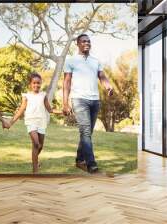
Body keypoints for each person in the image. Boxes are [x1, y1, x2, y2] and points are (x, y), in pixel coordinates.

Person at [63, 34, 114, 174]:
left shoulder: (95, 61)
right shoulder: (71, 60)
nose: (87, 43)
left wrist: (108, 86)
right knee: (85, 131)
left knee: (87, 133)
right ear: (78, 44)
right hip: (79, 99)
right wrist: (65, 103)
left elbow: (102, 76)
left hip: (95, 100)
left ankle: (79, 160)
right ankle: (91, 163)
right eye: (84, 41)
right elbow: (66, 82)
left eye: (88, 41)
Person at [9, 73, 54, 174]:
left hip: (41, 122)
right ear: (30, 84)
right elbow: (21, 110)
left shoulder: (43, 95)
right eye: (34, 83)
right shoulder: (26, 96)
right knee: (36, 144)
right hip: (31, 122)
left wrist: (63, 112)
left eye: (38, 83)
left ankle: (35, 160)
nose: (36, 85)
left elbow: (50, 110)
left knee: (40, 145)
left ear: (41, 84)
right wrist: (10, 123)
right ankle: (35, 171)